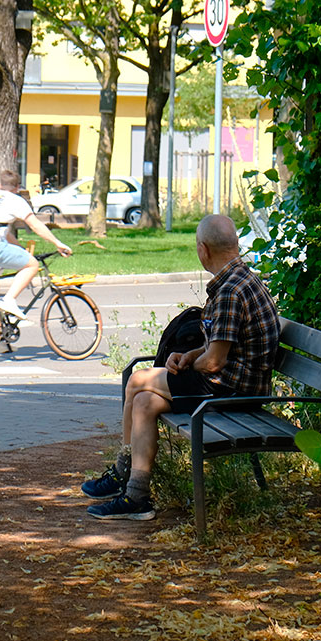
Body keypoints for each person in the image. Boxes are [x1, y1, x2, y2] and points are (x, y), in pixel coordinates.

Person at [82, 214, 280, 520]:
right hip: (237, 383)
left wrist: (192, 363)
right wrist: (189, 356)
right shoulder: (241, 279)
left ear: (203, 249)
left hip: (233, 391)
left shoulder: (230, 291)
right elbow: (223, 344)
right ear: (235, 244)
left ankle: (123, 473)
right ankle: (137, 495)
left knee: (137, 381)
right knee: (145, 401)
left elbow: (214, 362)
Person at [0, 169, 73, 319]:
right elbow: (35, 225)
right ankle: (9, 300)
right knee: (32, 265)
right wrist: (58, 243)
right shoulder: (15, 200)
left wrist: (20, 249)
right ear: (17, 187)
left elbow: (5, 233)